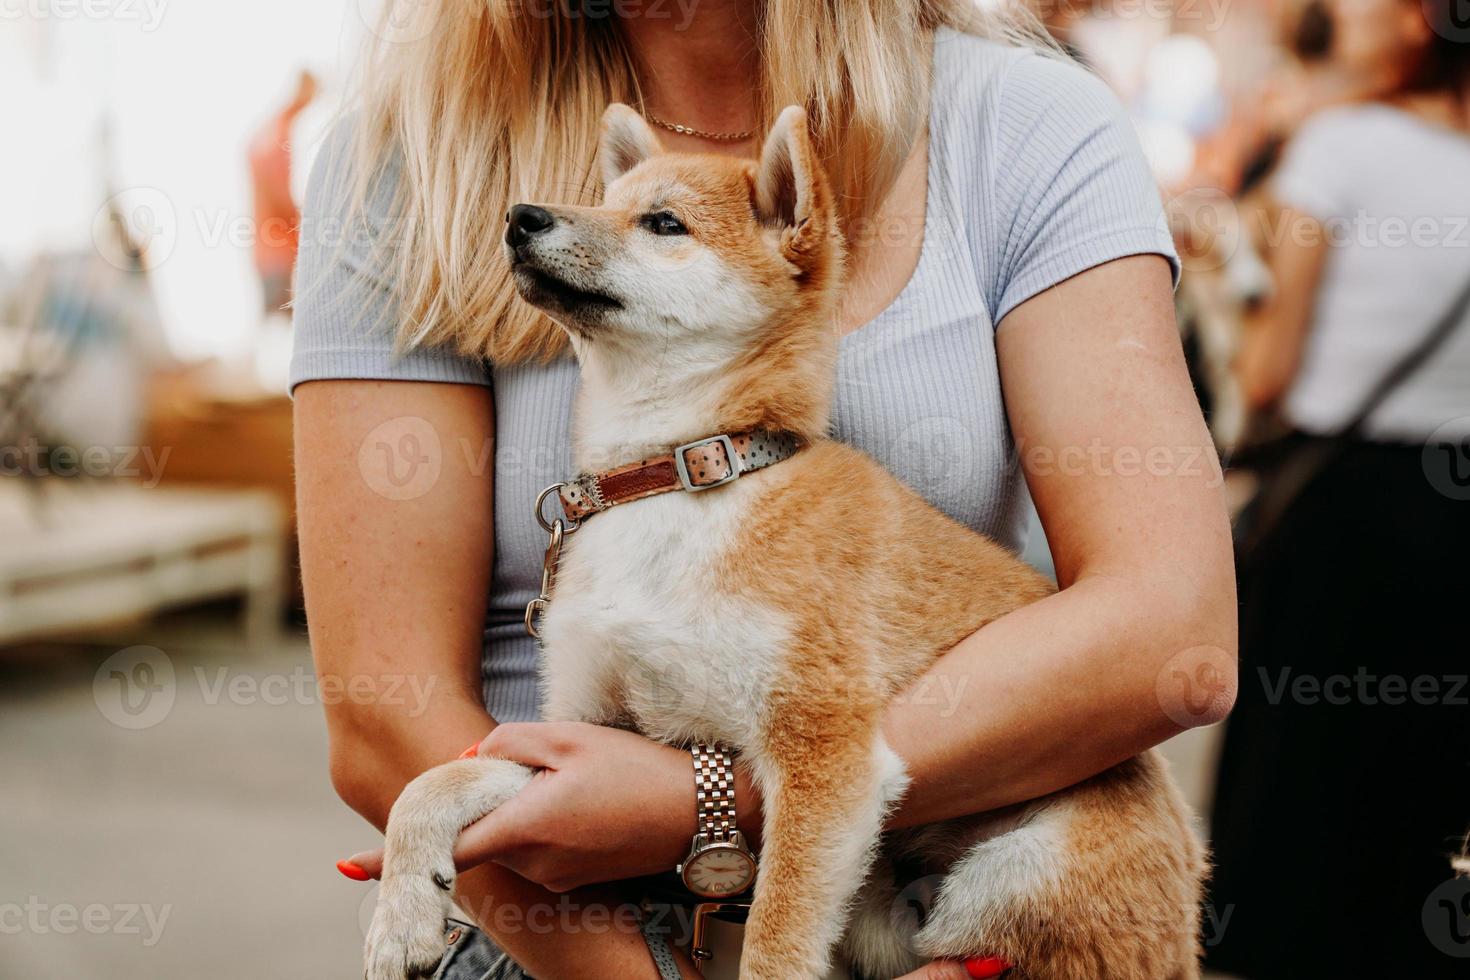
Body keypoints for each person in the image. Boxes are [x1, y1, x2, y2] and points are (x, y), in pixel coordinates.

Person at [291, 2, 1236, 977]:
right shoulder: (406, 154)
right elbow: (382, 712)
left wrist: (705, 798)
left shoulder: (1026, 125)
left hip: (936, 912)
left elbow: (1172, 634)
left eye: (659, 225)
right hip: (558, 938)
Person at [1217, 0, 1470, 975]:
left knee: (1306, 804)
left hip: (1343, 513)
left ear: (1422, 26)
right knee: (1429, 799)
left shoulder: (1343, 145)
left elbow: (1269, 375)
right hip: (1454, 522)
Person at [248, 69, 317, 316]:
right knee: (282, 325)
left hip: (267, 248)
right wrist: (311, 223)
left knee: (276, 324)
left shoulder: (269, 129)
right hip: (277, 249)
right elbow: (278, 194)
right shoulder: (279, 133)